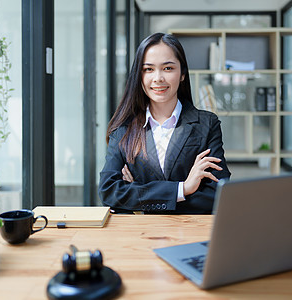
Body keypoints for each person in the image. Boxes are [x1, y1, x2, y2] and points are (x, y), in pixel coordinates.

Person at [98, 32, 231, 214]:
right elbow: (109, 192)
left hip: (190, 233)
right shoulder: (124, 128)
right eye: (148, 69)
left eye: (168, 68)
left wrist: (140, 194)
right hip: (140, 236)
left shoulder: (207, 124)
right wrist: (183, 189)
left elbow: (218, 195)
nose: (158, 78)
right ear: (139, 75)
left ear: (182, 73)